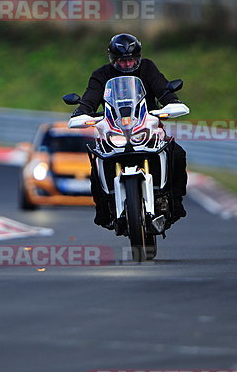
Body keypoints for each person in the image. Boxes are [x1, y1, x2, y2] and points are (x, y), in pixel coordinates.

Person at [71, 33, 188, 229]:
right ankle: (103, 211)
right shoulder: (101, 75)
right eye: (121, 61)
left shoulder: (148, 68)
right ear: (112, 59)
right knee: (97, 161)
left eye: (131, 60)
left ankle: (175, 203)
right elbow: (90, 98)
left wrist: (172, 103)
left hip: (147, 127)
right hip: (113, 130)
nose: (126, 65)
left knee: (177, 153)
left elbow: (163, 89)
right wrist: (81, 112)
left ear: (138, 57)